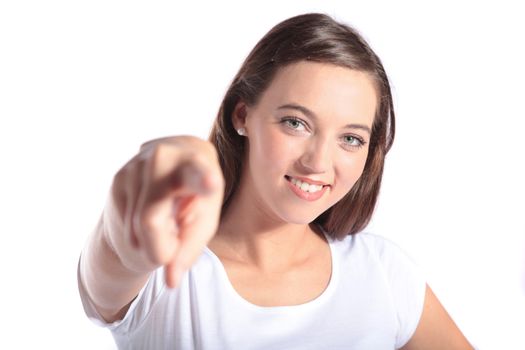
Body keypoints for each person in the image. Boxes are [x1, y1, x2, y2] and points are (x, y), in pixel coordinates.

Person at [78, 13, 473, 349]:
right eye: (295, 123)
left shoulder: (385, 274)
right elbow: (118, 249)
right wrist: (140, 193)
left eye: (351, 138)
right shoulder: (164, 276)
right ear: (241, 116)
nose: (318, 162)